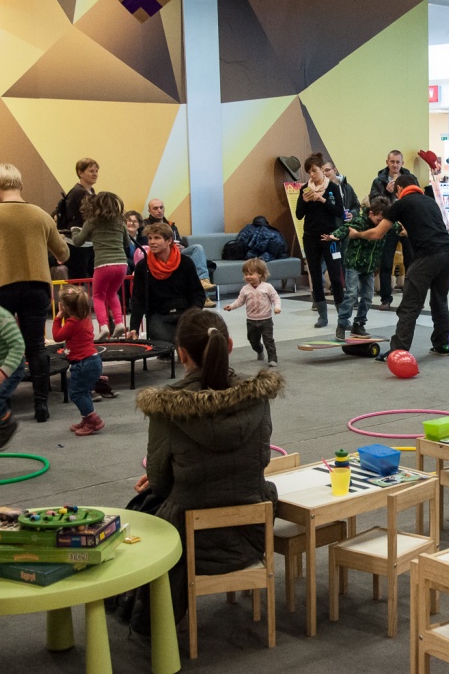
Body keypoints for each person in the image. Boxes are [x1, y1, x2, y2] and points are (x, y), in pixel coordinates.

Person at [130, 308, 282, 633]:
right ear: (229, 345)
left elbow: (159, 484)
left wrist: (169, 474)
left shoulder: (167, 407)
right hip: (252, 533)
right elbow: (262, 460)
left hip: (188, 543)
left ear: (181, 353)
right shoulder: (256, 397)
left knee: (140, 509)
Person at [0, 163, 70, 422]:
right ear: (21, 185)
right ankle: (41, 405)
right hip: (37, 288)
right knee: (36, 347)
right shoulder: (41, 215)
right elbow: (64, 253)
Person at [351, 174, 449, 358]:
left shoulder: (400, 204)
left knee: (409, 305)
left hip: (428, 256)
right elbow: (427, 227)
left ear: (399, 189)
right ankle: (442, 344)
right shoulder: (430, 201)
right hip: (447, 253)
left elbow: (377, 233)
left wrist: (356, 234)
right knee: (440, 301)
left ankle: (398, 350)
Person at [127, 222, 207, 344]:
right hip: (158, 315)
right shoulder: (143, 266)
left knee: (199, 337)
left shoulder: (186, 262)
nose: (152, 242)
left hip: (185, 313)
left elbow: (198, 294)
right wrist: (134, 328)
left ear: (169, 241)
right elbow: (138, 299)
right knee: (167, 342)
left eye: (157, 238)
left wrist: (192, 314)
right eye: (150, 238)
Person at [328, 195, 393, 341]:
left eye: (383, 221)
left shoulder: (386, 224)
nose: (381, 224)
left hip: (369, 266)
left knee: (368, 297)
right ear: (371, 213)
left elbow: (398, 226)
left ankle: (359, 324)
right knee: (351, 293)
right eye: (378, 220)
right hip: (354, 263)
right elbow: (346, 228)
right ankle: (342, 324)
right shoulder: (359, 222)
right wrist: (334, 236)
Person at [295, 152, 346, 327]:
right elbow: (299, 215)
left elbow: (339, 212)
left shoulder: (332, 188)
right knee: (316, 277)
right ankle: (322, 315)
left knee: (336, 276)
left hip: (330, 237)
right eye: (309, 172)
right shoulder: (305, 189)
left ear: (322, 170)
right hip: (310, 237)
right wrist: (304, 201)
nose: (312, 175)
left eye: (314, 170)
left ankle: (342, 316)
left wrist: (322, 200)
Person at [74, 192, 131, 340]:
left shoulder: (92, 222)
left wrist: (75, 231)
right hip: (121, 264)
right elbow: (127, 243)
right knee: (112, 294)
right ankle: (119, 323)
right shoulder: (120, 222)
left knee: (98, 296)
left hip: (103, 264)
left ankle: (104, 326)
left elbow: (78, 241)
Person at [52, 287, 104, 436]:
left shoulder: (72, 323)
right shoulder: (85, 319)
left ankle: (93, 421)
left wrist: (58, 317)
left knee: (76, 393)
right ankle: (86, 419)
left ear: (66, 307)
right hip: (93, 361)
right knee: (84, 392)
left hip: (83, 364)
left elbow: (57, 336)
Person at [146, 198, 216, 306]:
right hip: (158, 254)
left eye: (161, 207)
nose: (159, 210)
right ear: (149, 210)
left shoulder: (171, 225)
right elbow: (146, 244)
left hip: (176, 252)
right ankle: (205, 297)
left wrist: (181, 246)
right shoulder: (145, 225)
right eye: (155, 208)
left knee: (197, 248)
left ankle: (203, 280)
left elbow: (180, 242)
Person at [370, 150, 415, 310]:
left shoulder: (410, 179)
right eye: (392, 162)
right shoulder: (379, 181)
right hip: (388, 224)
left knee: (411, 262)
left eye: (398, 162)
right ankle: (385, 299)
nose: (395, 165)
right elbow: (374, 202)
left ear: (402, 163)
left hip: (406, 224)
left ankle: (412, 298)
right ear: (387, 162)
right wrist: (386, 192)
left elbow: (416, 199)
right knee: (386, 261)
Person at [0, 271, 25, 451]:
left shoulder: (1, 317)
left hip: (9, 367)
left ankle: (7, 423)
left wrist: (4, 370)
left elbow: (18, 346)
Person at [224, 258, 281, 367]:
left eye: (251, 274)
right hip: (251, 320)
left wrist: (277, 307)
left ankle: (272, 358)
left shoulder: (267, 287)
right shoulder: (245, 289)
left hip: (266, 320)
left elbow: (276, 298)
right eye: (246, 274)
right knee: (253, 340)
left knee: (268, 340)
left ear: (260, 274)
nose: (248, 277)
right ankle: (259, 350)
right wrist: (231, 306)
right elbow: (240, 301)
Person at [59, 158, 98, 279]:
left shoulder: (91, 191)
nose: (95, 174)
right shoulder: (78, 192)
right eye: (91, 171)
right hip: (77, 242)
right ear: (80, 173)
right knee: (78, 278)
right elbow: (73, 216)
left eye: (96, 171)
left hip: (87, 241)